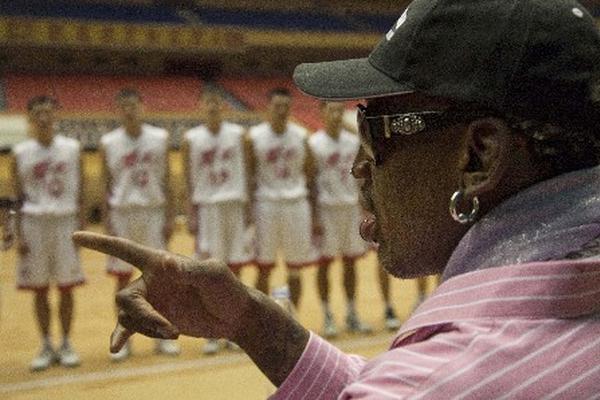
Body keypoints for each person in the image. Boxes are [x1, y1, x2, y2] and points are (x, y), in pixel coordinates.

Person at [74, 0, 600, 397]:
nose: (358, 163)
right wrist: (255, 325)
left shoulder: (427, 382)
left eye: (376, 126)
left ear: (479, 156)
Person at [100, 88, 180, 360]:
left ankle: (162, 335)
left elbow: (167, 180)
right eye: (124, 106)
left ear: (142, 107)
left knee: (159, 277)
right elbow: (105, 184)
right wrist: (107, 219)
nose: (129, 110)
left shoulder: (159, 138)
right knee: (122, 279)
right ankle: (123, 335)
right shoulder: (109, 142)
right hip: (122, 214)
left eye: (134, 105)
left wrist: (169, 216)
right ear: (118, 110)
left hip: (153, 212)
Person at [12, 96, 84, 371]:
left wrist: (81, 230)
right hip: (33, 224)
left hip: (65, 223)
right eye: (37, 113)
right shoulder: (20, 152)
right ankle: (45, 343)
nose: (43, 117)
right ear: (30, 119)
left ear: (57, 116)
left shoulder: (72, 148)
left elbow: (78, 192)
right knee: (39, 290)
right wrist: (16, 233)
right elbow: (16, 198)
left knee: (66, 287)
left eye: (48, 112)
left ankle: (66, 342)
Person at [182, 89, 252, 355]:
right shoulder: (191, 138)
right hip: (208, 207)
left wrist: (247, 209)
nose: (212, 107)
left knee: (236, 269)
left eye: (216, 102)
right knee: (207, 272)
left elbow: (246, 173)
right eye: (207, 102)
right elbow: (188, 179)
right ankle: (211, 330)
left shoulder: (237, 135)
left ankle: (234, 328)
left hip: (234, 204)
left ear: (223, 106)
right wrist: (190, 211)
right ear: (200, 106)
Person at [246, 87, 317, 308]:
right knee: (264, 267)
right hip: (265, 205)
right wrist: (248, 210)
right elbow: (249, 175)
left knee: (295, 268)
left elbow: (310, 173)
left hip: (296, 204)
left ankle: (291, 317)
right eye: (277, 106)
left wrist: (313, 211)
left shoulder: (301, 136)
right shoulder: (254, 137)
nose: (282, 110)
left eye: (286, 106)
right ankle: (261, 319)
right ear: (268, 108)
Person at [310, 101, 372, 337]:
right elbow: (311, 181)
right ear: (322, 113)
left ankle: (352, 312)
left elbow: (362, 178)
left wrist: (365, 207)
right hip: (326, 210)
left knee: (350, 263)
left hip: (350, 209)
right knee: (324, 264)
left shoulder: (353, 143)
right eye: (331, 111)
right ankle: (327, 315)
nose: (336, 115)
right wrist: (314, 215)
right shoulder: (314, 143)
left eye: (339, 111)